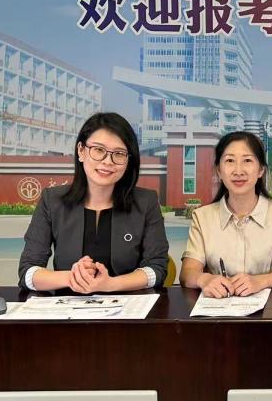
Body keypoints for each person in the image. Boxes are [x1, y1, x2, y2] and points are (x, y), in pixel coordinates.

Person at [18, 112, 168, 293]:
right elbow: (28, 272)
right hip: (68, 305)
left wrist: (111, 284)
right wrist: (73, 277)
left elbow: (157, 269)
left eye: (119, 154)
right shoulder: (52, 200)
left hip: (128, 305)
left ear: (129, 160)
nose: (107, 161)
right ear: (81, 151)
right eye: (98, 150)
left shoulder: (146, 202)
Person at [180, 131, 272, 297]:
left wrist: (259, 281)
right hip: (219, 307)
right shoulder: (202, 217)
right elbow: (187, 273)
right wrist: (204, 279)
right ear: (219, 171)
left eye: (247, 161)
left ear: (261, 170)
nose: (238, 171)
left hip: (268, 308)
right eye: (230, 161)